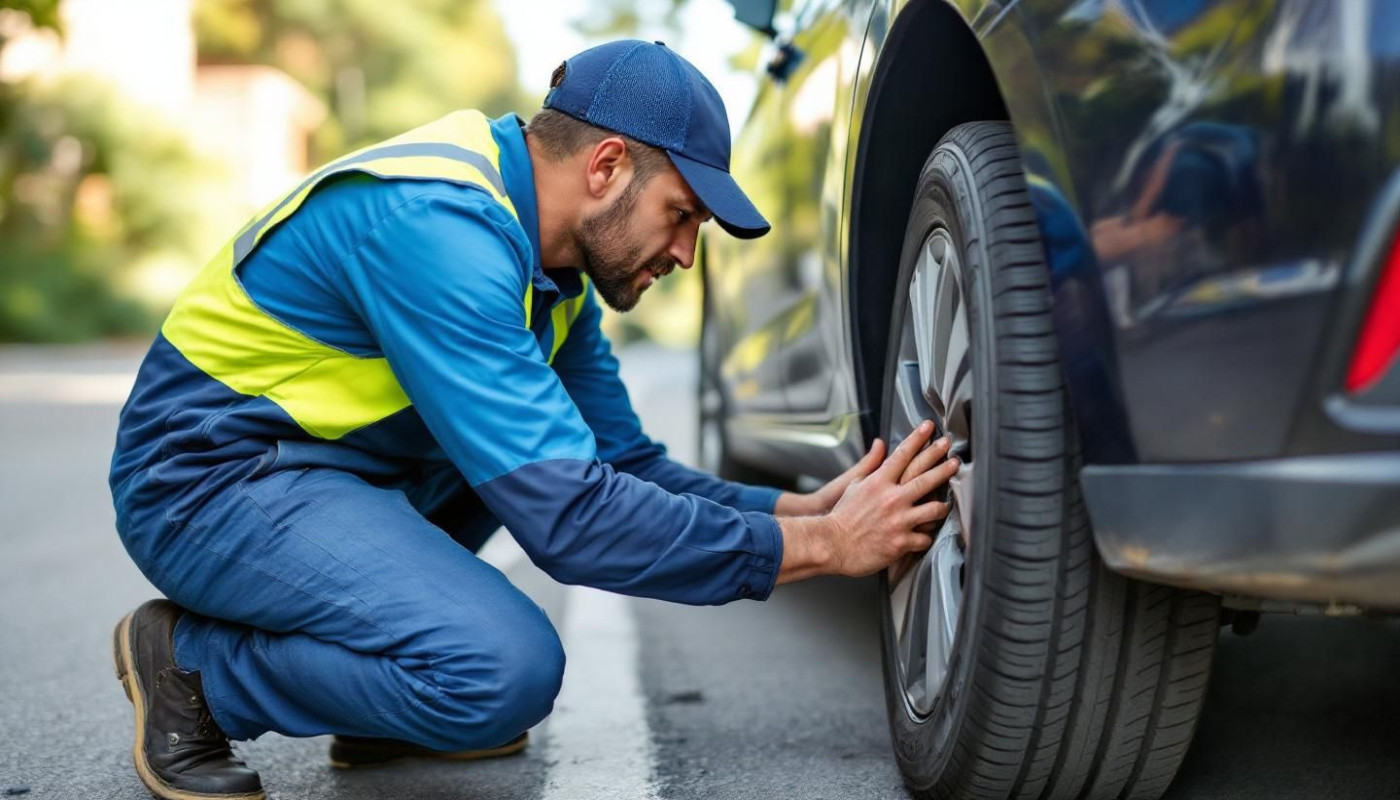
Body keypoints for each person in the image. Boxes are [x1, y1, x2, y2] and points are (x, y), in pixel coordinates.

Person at [108, 40, 959, 800]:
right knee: (498, 672)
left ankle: (377, 702)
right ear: (607, 167)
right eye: (682, 214)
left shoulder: (554, 276)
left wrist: (797, 510)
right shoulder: (440, 227)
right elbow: (571, 518)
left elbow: (620, 466)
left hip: (332, 469)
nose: (685, 253)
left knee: (531, 480)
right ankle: (195, 671)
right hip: (209, 477)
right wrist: (822, 548)